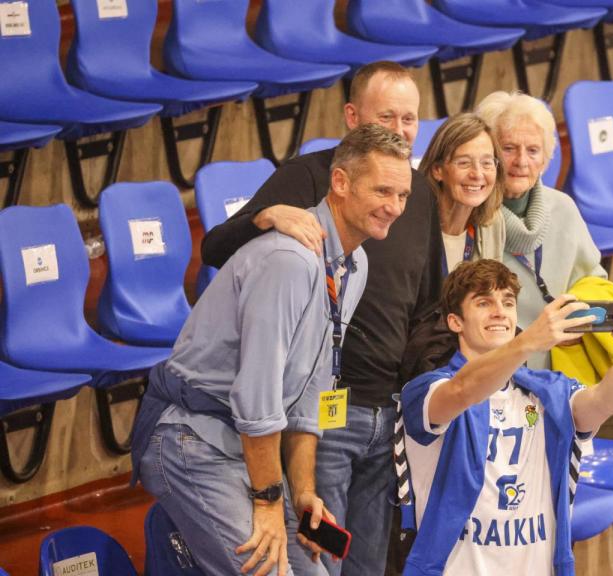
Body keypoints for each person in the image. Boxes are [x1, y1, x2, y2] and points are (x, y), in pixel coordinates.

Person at [131, 124, 413, 576]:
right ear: (340, 182)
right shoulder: (290, 260)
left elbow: (311, 393)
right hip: (193, 444)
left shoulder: (352, 265)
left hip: (247, 452)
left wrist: (301, 493)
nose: (395, 207)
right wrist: (268, 500)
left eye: (402, 195)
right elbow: (257, 398)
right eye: (383, 191)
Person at [199, 61, 442, 576]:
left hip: (387, 410)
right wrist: (265, 217)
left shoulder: (417, 191)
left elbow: (426, 303)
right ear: (352, 116)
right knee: (317, 564)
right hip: (325, 413)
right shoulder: (308, 176)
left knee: (367, 565)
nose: (399, 130)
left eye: (410, 119)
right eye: (387, 117)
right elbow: (217, 248)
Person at [400, 259, 613, 575]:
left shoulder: (548, 390)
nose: (499, 311)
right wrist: (528, 342)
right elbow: (463, 390)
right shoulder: (426, 389)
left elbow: (604, 403)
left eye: (508, 302)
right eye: (483, 302)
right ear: (455, 322)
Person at [475, 91, 606, 369]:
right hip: (492, 366)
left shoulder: (564, 208)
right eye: (508, 148)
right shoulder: (471, 215)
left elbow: (595, 284)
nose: (521, 161)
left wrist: (579, 322)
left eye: (533, 150)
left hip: (560, 363)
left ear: (546, 159)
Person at [418, 113, 507, 275]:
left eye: (487, 163)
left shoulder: (492, 223)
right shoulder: (411, 226)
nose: (478, 174)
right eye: (464, 163)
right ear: (437, 170)